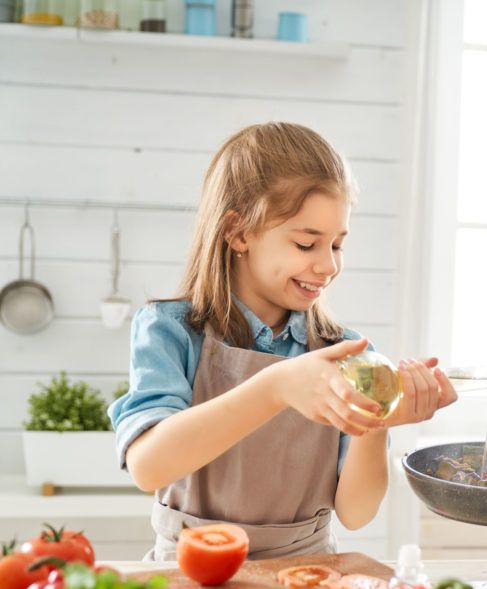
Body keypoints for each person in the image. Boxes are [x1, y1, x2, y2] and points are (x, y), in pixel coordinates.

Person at [109, 122, 457, 561]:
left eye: (337, 245)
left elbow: (356, 512)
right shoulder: (170, 330)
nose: (328, 266)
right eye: (307, 243)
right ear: (238, 233)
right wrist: (277, 386)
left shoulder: (345, 352)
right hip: (188, 572)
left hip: (308, 573)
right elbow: (149, 465)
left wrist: (376, 421)